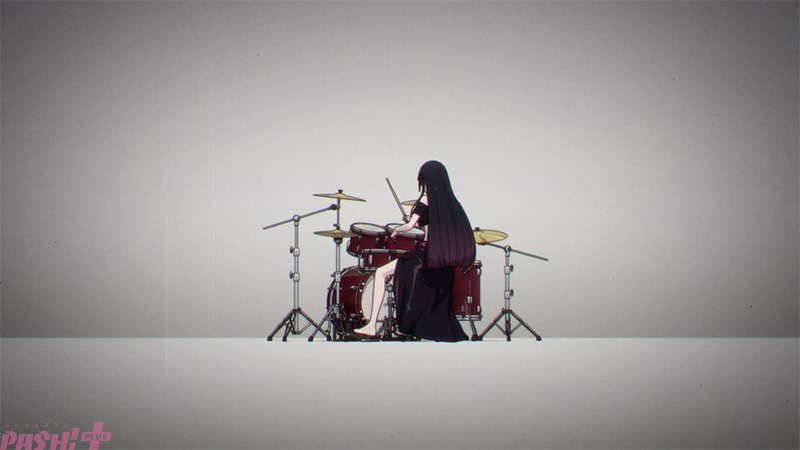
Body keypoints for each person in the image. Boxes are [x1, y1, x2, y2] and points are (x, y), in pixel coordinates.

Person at [354, 160, 475, 341]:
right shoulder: (453, 204)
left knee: (380, 272)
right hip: (441, 260)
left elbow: (410, 226)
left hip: (424, 257)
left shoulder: (426, 200)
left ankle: (372, 326)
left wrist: (398, 229)